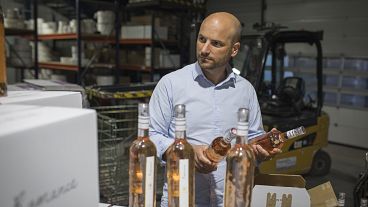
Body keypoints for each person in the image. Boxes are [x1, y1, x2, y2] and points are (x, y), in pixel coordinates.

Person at [149, 12, 281, 207]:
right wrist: (186, 152)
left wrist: (260, 150)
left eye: (216, 44)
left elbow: (253, 137)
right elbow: (152, 136)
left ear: (234, 50)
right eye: (202, 39)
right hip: (183, 199)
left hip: (231, 200)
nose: (204, 49)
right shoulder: (170, 85)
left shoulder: (245, 91)